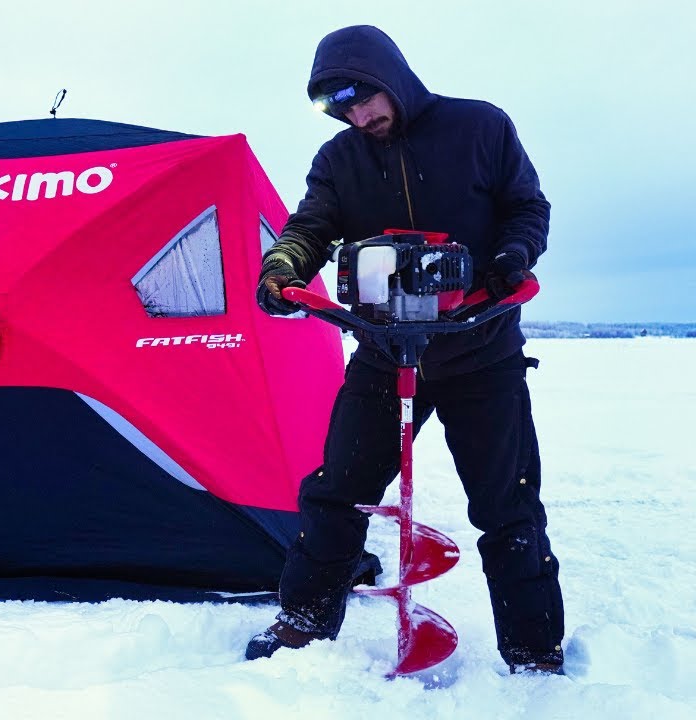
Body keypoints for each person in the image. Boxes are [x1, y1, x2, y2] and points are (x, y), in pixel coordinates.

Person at [246, 25, 565, 674]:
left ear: (390, 76)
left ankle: (535, 648)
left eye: (365, 99)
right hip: (385, 353)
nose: (359, 116)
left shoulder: (480, 128)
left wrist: (512, 255)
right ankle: (305, 616)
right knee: (338, 490)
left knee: (508, 507)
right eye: (344, 108)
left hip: (481, 352)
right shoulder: (341, 160)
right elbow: (310, 228)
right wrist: (283, 267)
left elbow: (527, 207)